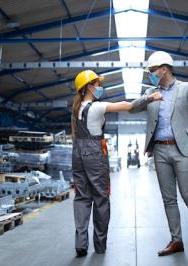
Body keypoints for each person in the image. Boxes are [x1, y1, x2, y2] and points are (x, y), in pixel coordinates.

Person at [71, 70, 161, 257]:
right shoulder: (96, 107)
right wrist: (150, 98)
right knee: (101, 198)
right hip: (94, 150)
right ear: (88, 86)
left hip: (77, 152)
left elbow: (75, 135)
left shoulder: (76, 109)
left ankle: (81, 243)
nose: (99, 87)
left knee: (81, 197)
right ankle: (100, 245)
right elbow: (128, 106)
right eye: (97, 84)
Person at [130, 51, 188, 257]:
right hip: (159, 150)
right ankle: (177, 241)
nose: (150, 74)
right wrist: (150, 97)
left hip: (182, 149)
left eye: (152, 70)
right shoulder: (150, 91)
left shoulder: (186, 89)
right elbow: (132, 109)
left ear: (163, 69)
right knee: (168, 199)